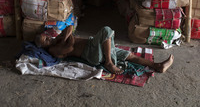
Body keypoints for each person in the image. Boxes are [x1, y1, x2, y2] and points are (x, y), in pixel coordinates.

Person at [35, 26, 174, 74]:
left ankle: (157, 66)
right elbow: (69, 46)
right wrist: (67, 38)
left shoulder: (57, 39)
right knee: (106, 31)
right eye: (45, 41)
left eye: (46, 37)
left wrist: (65, 36)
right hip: (90, 53)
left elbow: (70, 27)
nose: (49, 39)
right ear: (45, 47)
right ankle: (108, 62)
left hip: (95, 46)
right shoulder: (53, 49)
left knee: (129, 55)